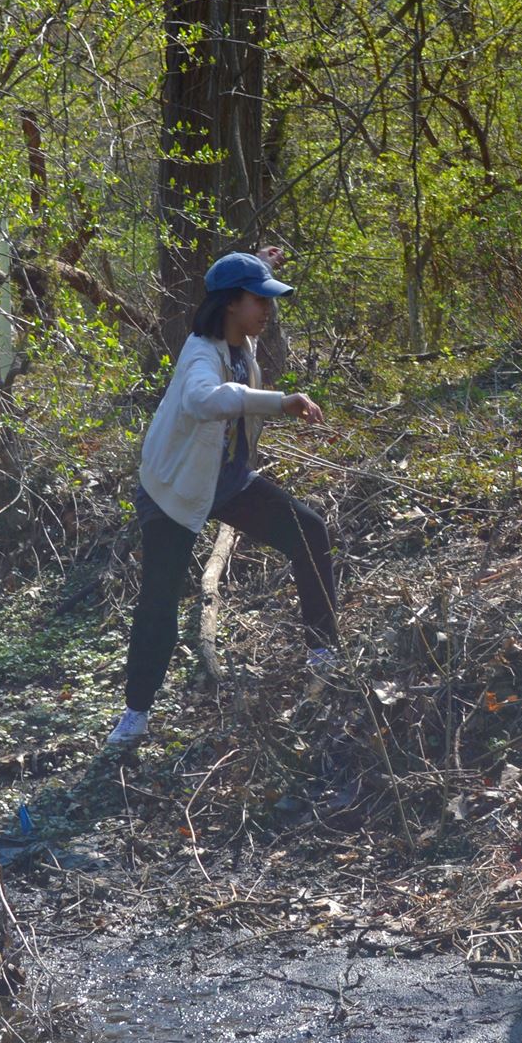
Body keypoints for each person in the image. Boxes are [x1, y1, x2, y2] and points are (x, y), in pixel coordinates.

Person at [105, 252, 338, 753]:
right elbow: (203, 401)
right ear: (231, 304)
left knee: (309, 532)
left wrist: (258, 260)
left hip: (228, 482)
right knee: (160, 602)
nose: (267, 311)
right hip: (174, 490)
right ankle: (135, 715)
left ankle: (324, 655)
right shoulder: (199, 355)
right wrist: (279, 401)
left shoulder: (241, 336)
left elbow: (228, 276)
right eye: (260, 299)